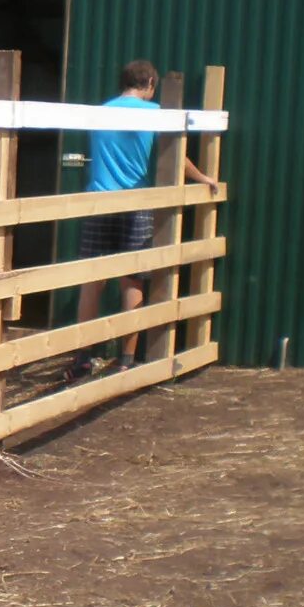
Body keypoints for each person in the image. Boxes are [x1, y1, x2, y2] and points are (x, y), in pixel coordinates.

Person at [68, 59, 219, 381]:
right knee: (132, 281)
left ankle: (82, 356)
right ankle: (126, 359)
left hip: (98, 200)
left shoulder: (101, 112)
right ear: (150, 83)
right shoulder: (156, 114)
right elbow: (175, 158)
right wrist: (203, 177)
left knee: (91, 281)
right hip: (135, 203)